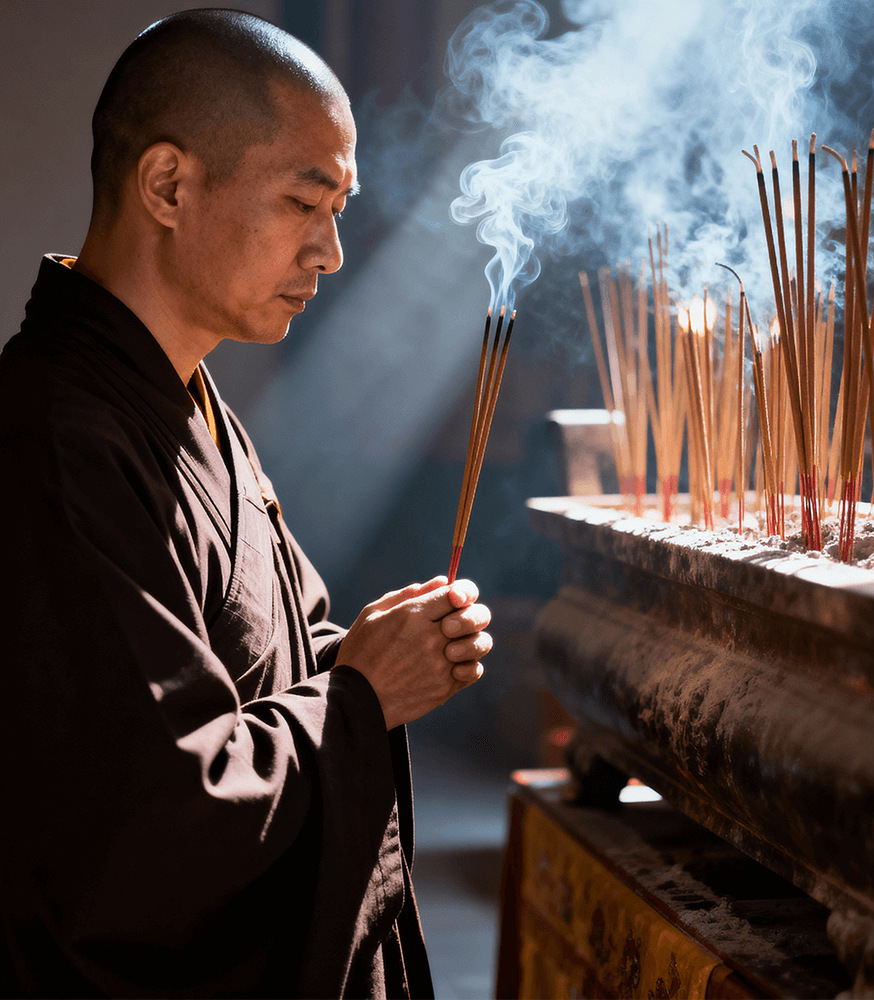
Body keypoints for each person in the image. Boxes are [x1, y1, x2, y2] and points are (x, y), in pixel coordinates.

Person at [0, 9, 492, 998]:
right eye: (306, 203)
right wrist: (360, 699)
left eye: (341, 209)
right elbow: (140, 836)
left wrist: (377, 651)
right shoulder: (52, 437)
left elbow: (285, 649)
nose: (333, 252)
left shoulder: (188, 401)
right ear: (169, 185)